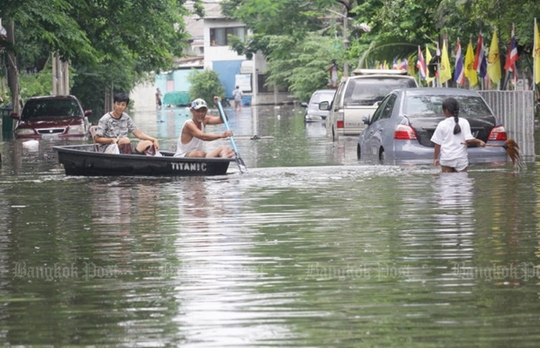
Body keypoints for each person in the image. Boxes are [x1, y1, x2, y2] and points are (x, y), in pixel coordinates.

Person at [431, 97, 485, 172]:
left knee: (446, 182)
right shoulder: (464, 122)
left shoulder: (442, 124)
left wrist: (435, 158)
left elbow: (437, 144)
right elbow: (469, 140)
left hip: (447, 159)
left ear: (446, 110)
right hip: (460, 160)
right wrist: (479, 142)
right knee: (462, 182)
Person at [94, 92, 160, 155]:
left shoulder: (126, 117)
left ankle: (138, 160)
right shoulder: (105, 119)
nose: (120, 107)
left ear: (126, 106)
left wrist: (154, 139)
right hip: (109, 148)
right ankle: (128, 160)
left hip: (124, 146)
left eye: (123, 105)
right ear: (114, 104)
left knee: (148, 143)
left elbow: (139, 134)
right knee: (125, 140)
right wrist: (112, 140)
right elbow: (97, 139)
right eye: (118, 104)